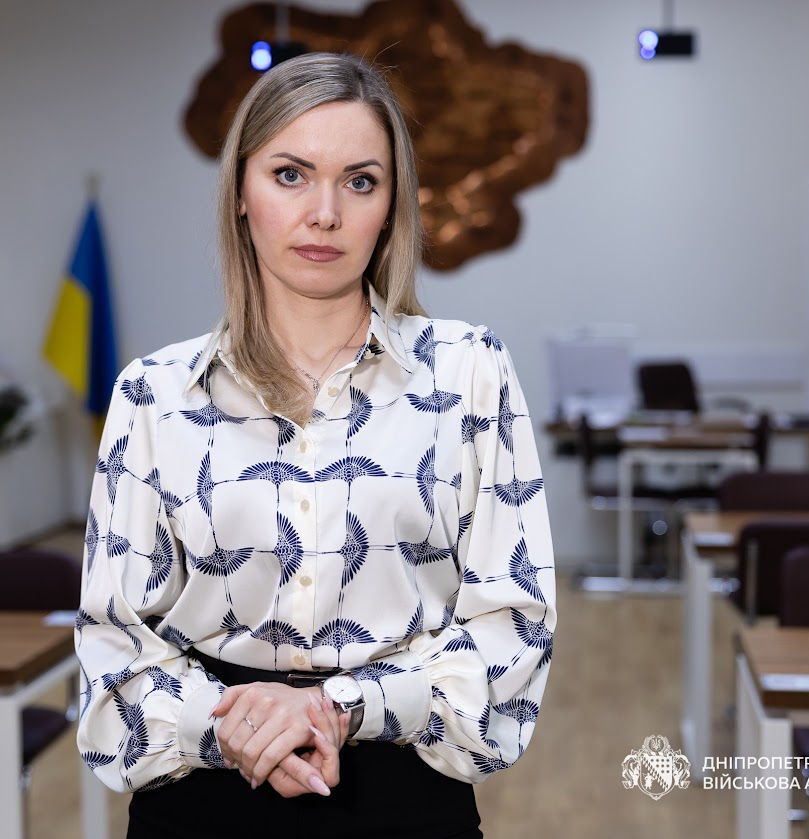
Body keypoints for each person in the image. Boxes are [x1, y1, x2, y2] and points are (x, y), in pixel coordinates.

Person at [75, 52, 556, 839]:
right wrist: (238, 727)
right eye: (290, 174)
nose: (324, 212)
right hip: (201, 803)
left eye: (359, 181)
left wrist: (340, 706)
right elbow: (112, 646)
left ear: (391, 205)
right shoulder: (153, 394)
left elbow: (514, 625)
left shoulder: (468, 372)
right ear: (240, 192)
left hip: (404, 798)